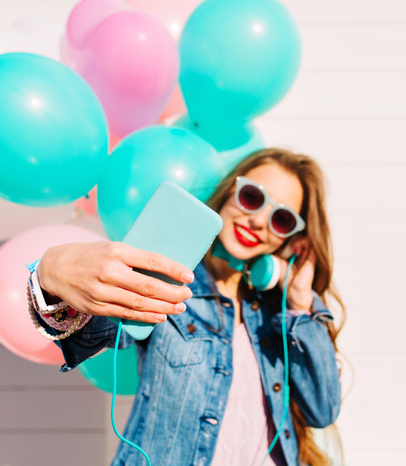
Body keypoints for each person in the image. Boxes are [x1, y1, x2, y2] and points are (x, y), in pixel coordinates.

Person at [28, 148, 345, 466]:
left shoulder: (284, 315)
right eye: (252, 197)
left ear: (291, 240)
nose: (259, 221)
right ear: (229, 192)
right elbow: (88, 332)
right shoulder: (168, 284)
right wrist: (51, 280)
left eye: (282, 219)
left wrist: (301, 303)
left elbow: (322, 410)